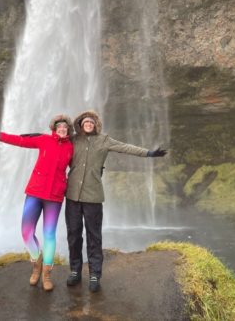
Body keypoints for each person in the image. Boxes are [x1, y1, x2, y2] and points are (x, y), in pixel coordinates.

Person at [65, 110, 167, 293]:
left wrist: (149, 153)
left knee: (94, 237)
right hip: (72, 195)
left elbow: (125, 147)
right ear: (80, 124)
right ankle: (75, 270)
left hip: (93, 197)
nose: (88, 124)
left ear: (95, 125)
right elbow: (54, 139)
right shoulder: (73, 139)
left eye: (91, 122)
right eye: (85, 122)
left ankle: (95, 274)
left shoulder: (104, 140)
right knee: (73, 235)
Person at [0, 114, 74, 291]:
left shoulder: (71, 147)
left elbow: (80, 166)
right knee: (26, 232)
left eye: (65, 127)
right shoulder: (44, 140)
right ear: (54, 128)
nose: (62, 129)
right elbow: (21, 141)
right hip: (35, 192)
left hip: (55, 196)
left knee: (49, 235)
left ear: (68, 130)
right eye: (59, 126)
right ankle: (36, 262)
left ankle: (46, 274)